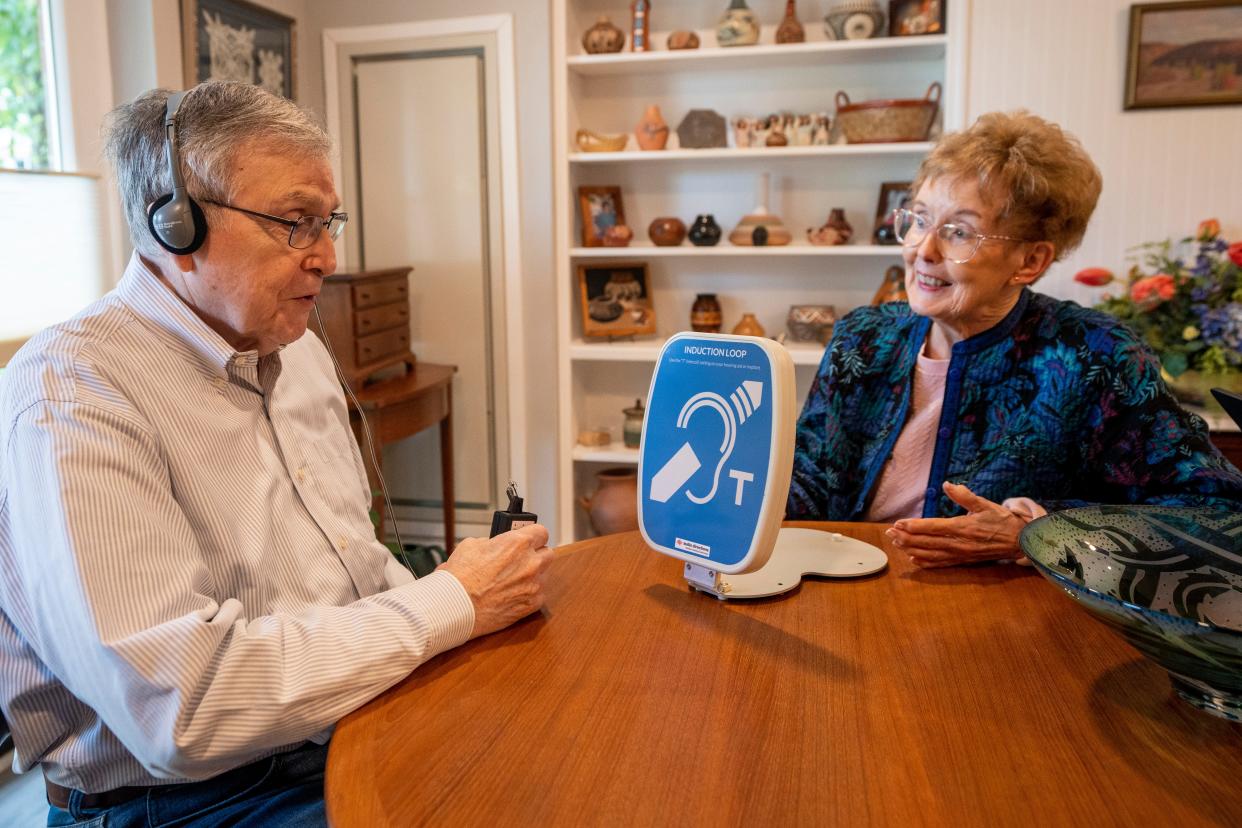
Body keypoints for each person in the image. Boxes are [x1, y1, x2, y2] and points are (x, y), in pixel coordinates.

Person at [0, 81, 552, 826]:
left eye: (330, 222)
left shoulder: (298, 352)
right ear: (176, 224)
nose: (326, 256)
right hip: (182, 801)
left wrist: (463, 608)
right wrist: (452, 600)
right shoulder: (72, 393)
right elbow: (183, 711)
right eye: (295, 223)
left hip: (333, 726)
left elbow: (356, 566)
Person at [786, 110, 1242, 568]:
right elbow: (808, 478)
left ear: (1030, 261)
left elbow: (1213, 512)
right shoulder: (862, 338)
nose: (924, 250)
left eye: (959, 232)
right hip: (845, 583)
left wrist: (1033, 531)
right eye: (920, 220)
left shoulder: (1097, 357)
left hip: (1001, 612)